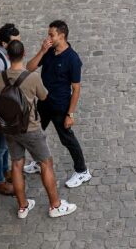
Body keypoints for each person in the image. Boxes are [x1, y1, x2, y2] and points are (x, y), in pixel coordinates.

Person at [0, 38, 77, 219]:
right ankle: (55, 205)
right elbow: (44, 97)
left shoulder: (0, 77)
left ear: (7, 55)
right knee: (46, 163)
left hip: (10, 129)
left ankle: (22, 206)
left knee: (16, 164)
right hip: (30, 128)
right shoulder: (32, 77)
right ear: (23, 54)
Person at [25, 21, 91, 189]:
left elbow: (76, 88)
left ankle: (82, 171)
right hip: (44, 103)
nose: (48, 38)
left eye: (51, 35)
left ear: (62, 35)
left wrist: (70, 114)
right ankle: (39, 163)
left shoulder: (72, 59)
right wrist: (42, 50)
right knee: (35, 134)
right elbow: (29, 68)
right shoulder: (48, 52)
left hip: (60, 106)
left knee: (67, 139)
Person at [0, 22, 19, 196]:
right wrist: (1, 109)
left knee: (6, 143)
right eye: (14, 42)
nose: (18, 45)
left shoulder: (5, 54)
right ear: (3, 43)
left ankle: (5, 170)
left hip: (4, 108)